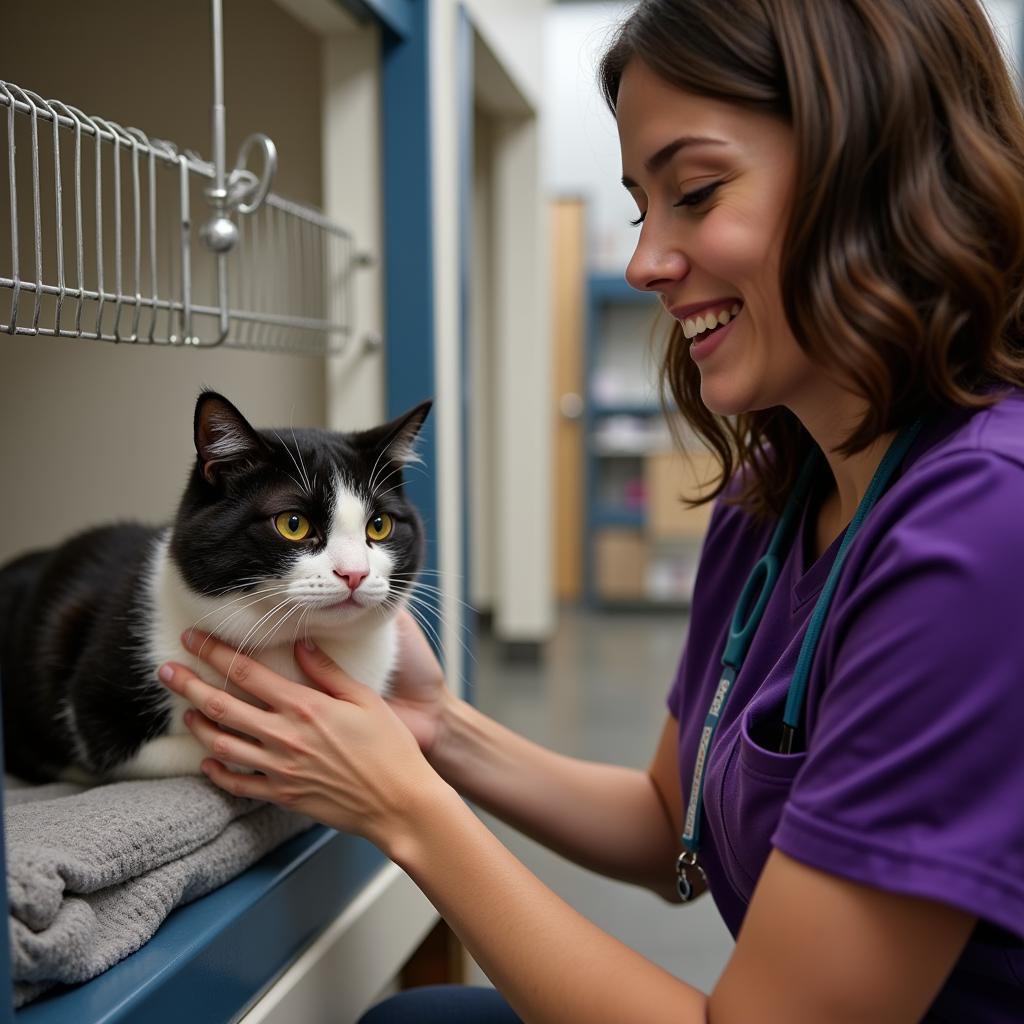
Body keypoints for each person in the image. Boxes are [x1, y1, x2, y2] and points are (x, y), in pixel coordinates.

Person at [156, 0, 1024, 1020]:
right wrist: (438, 729)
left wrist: (407, 809)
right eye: (637, 209)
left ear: (874, 171)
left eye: (694, 193)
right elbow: (671, 825)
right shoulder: (776, 493)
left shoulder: (984, 526)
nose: (644, 261)